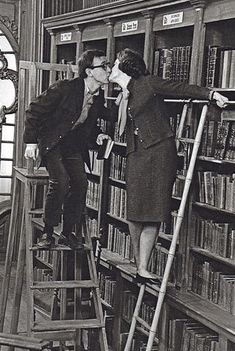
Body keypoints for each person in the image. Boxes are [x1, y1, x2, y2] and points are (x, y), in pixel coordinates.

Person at [109, 48, 228, 282]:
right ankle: (139, 262)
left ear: (125, 66)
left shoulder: (148, 83)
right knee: (134, 211)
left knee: (153, 211)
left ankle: (142, 267)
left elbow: (180, 88)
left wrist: (211, 94)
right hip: (137, 153)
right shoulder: (123, 93)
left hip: (159, 153)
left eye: (114, 63)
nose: (111, 67)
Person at [24, 49, 111, 249]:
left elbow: (87, 123)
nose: (108, 70)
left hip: (72, 145)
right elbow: (33, 110)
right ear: (89, 71)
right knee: (61, 181)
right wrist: (30, 142)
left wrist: (97, 134)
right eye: (104, 66)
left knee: (81, 183)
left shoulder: (97, 98)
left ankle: (67, 232)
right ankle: (47, 233)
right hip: (52, 142)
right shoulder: (65, 88)